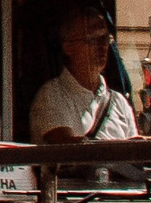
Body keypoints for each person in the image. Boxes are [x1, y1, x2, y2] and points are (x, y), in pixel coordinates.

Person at [32, 9, 137, 144]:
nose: (102, 46)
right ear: (68, 47)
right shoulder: (51, 96)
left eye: (105, 39)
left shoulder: (119, 102)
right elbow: (67, 150)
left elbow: (135, 158)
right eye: (92, 39)